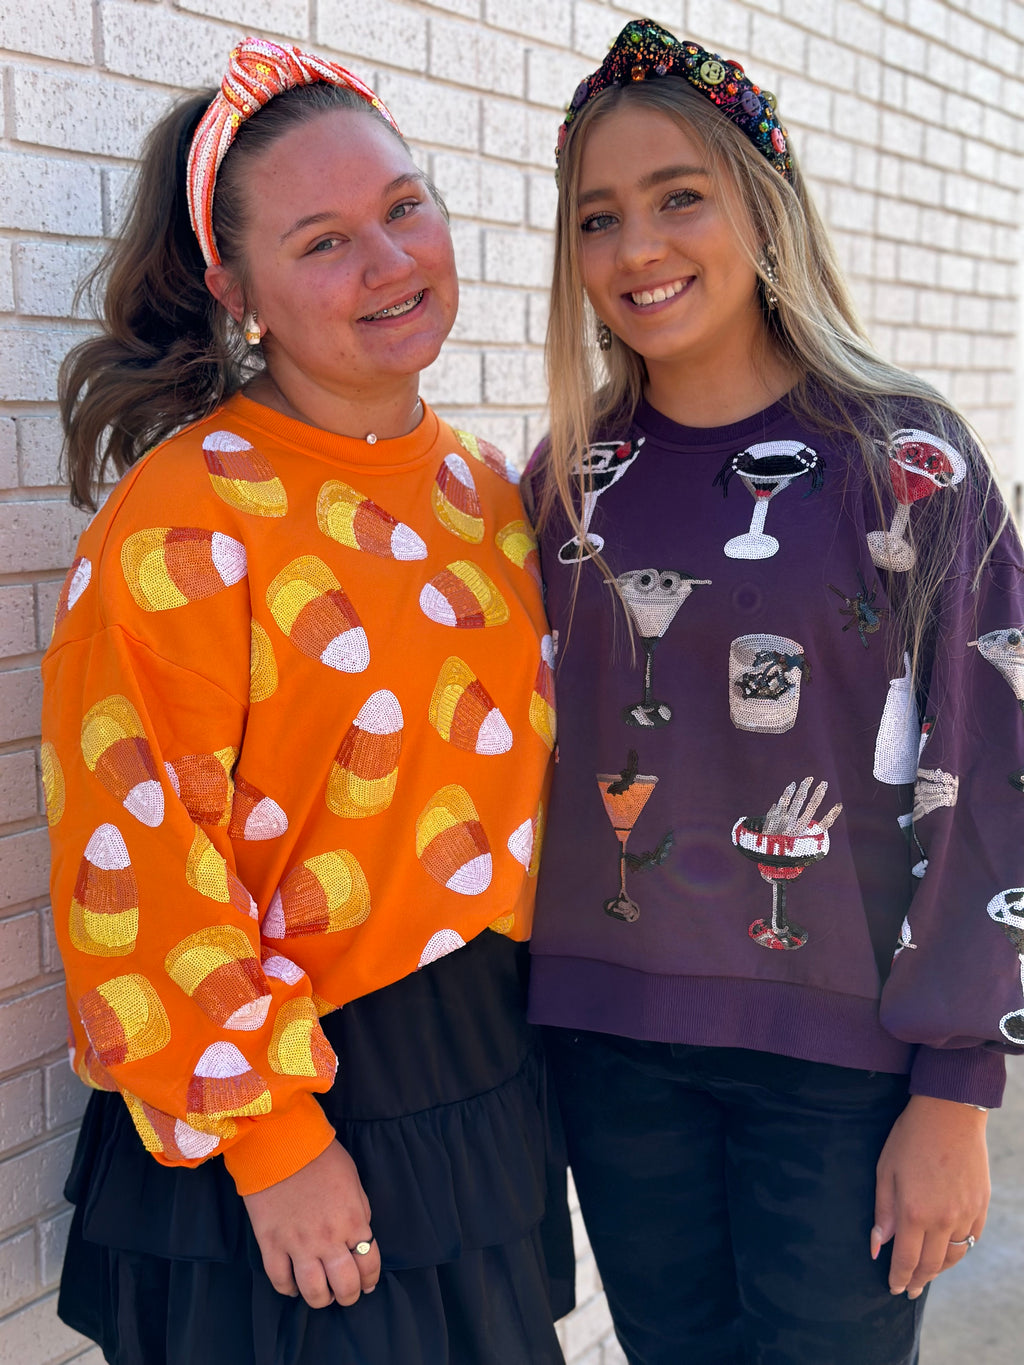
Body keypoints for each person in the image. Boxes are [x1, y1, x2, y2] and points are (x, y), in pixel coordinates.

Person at [43, 36, 571, 1365]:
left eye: (404, 207)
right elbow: (137, 853)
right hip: (291, 1093)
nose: (391, 262)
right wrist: (274, 1139)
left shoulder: (486, 491)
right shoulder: (183, 518)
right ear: (238, 292)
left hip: (483, 1068)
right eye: (325, 242)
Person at [526, 17, 1024, 1365]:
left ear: (766, 205)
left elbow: (990, 772)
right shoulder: (568, 482)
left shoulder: (908, 458)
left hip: (844, 1065)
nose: (637, 248)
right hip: (611, 1050)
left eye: (679, 197)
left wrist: (959, 1084)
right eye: (597, 217)